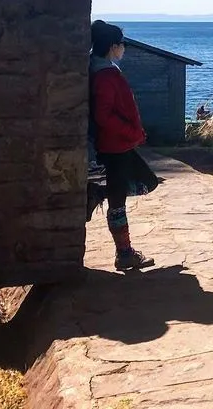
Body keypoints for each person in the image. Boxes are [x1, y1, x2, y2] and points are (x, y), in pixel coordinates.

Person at [89, 20, 157, 271]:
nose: (123, 48)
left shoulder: (99, 69)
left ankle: (100, 193)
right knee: (124, 198)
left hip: (118, 144)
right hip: (115, 147)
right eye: (122, 44)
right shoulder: (106, 75)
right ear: (112, 46)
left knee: (146, 182)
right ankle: (125, 254)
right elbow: (103, 115)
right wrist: (131, 132)